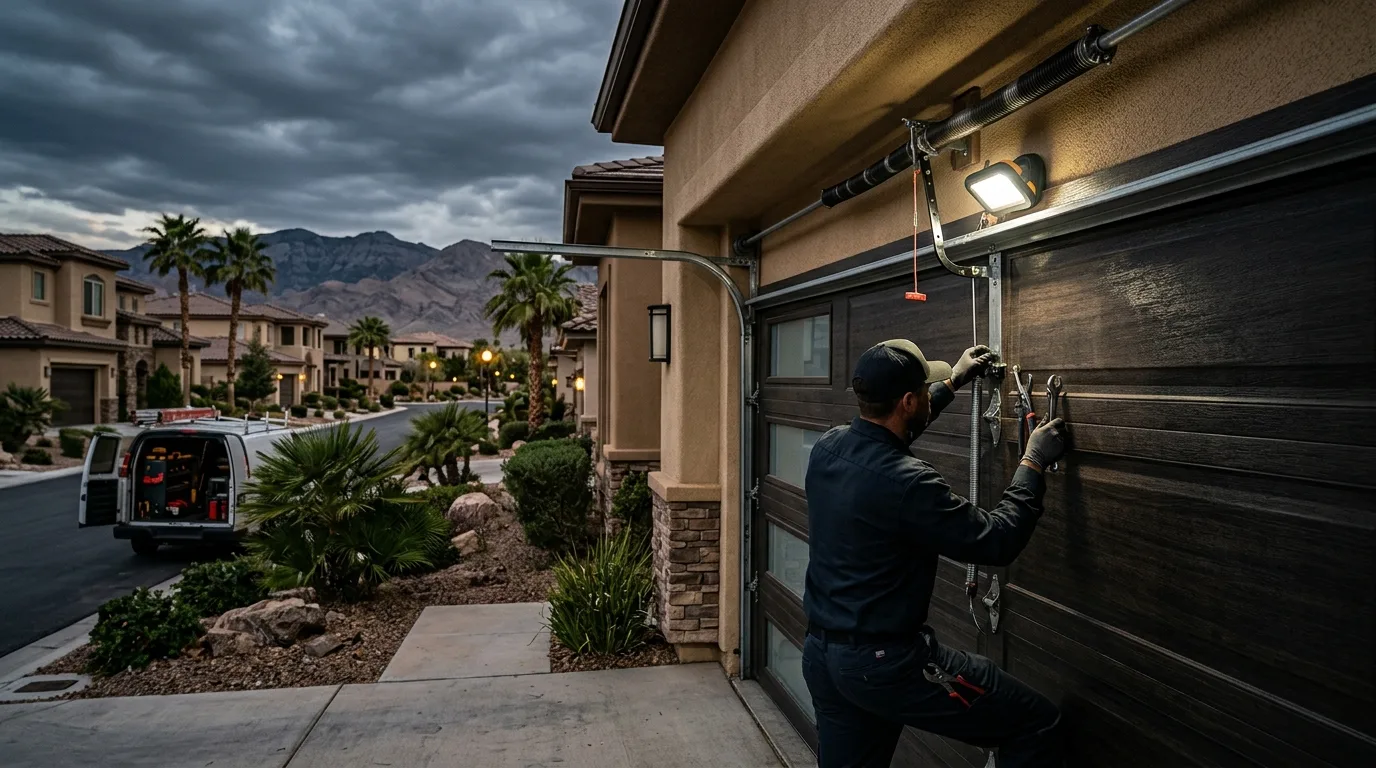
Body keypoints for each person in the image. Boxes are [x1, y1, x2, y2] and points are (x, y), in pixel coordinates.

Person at [802, 339, 1068, 768]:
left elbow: (889, 435)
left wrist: (954, 380)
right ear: (908, 400)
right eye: (925, 391)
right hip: (888, 667)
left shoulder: (828, 447)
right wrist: (1032, 462)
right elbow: (997, 540)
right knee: (1034, 723)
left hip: (824, 658)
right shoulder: (910, 484)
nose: (929, 395)